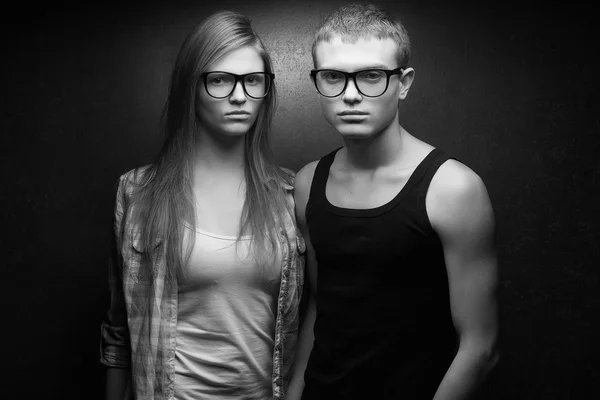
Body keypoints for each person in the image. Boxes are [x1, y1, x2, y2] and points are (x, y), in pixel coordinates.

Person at [287, 3, 499, 400]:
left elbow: (480, 347)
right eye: (333, 77)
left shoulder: (453, 188)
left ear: (403, 83)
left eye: (371, 76)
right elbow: (320, 307)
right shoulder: (307, 182)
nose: (350, 95)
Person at [99, 10, 305, 400]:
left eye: (253, 81)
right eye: (221, 80)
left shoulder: (293, 196)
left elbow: (318, 321)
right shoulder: (137, 193)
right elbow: (119, 332)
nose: (240, 95)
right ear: (190, 87)